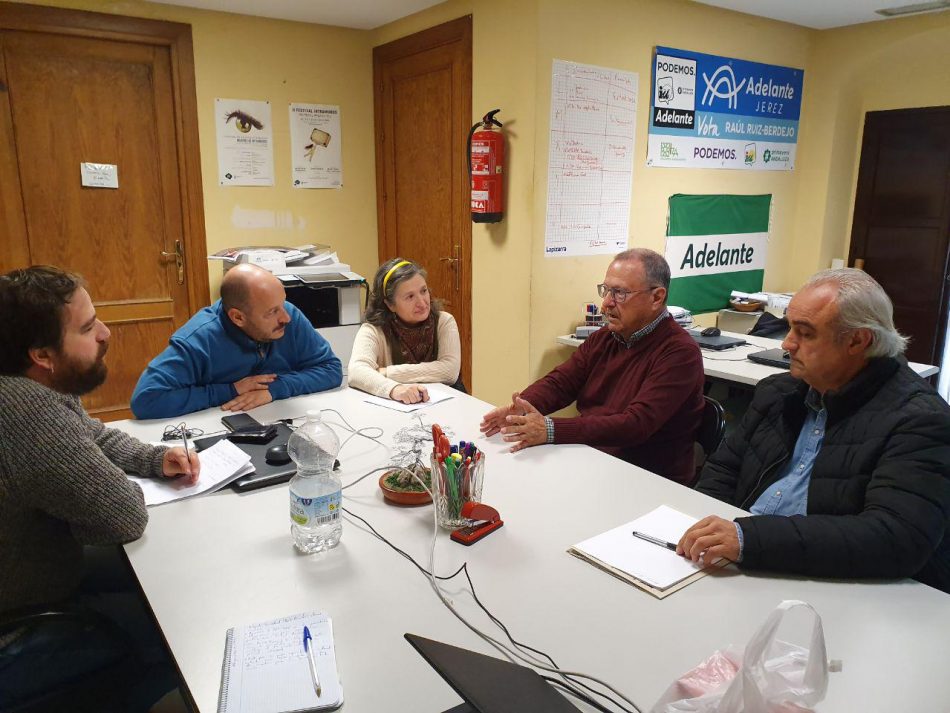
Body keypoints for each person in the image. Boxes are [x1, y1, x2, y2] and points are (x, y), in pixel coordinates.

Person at [0, 265, 199, 707]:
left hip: (41, 575)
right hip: (16, 624)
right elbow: (122, 517)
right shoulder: (26, 413)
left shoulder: (29, 384)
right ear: (42, 355)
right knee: (181, 628)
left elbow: (86, 431)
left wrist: (153, 458)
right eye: (88, 327)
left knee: (173, 573)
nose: (106, 333)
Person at [678, 268, 950, 592]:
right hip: (740, 567)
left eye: (805, 333)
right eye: (790, 327)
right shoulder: (779, 391)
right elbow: (724, 469)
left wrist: (747, 539)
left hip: (830, 583)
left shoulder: (920, 420)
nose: (787, 344)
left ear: (858, 340)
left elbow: (894, 537)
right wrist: (701, 528)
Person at [479, 248, 705, 484]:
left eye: (620, 293)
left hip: (647, 479)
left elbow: (636, 424)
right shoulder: (605, 338)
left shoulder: (679, 353)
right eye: (606, 290)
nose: (606, 303)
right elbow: (562, 382)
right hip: (593, 459)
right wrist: (522, 408)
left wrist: (551, 429)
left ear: (657, 297)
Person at [131, 263, 342, 419]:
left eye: (283, 304)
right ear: (238, 317)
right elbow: (146, 400)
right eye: (272, 312)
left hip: (285, 420)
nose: (286, 318)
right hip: (222, 429)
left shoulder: (290, 317)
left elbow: (331, 369)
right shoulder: (198, 340)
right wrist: (231, 390)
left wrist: (274, 390)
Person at [348, 258, 461, 404]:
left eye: (423, 291)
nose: (422, 302)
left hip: (445, 405)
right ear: (390, 304)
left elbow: (449, 371)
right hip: (396, 409)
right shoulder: (373, 330)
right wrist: (395, 389)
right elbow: (356, 371)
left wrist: (386, 373)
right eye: (410, 297)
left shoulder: (444, 321)